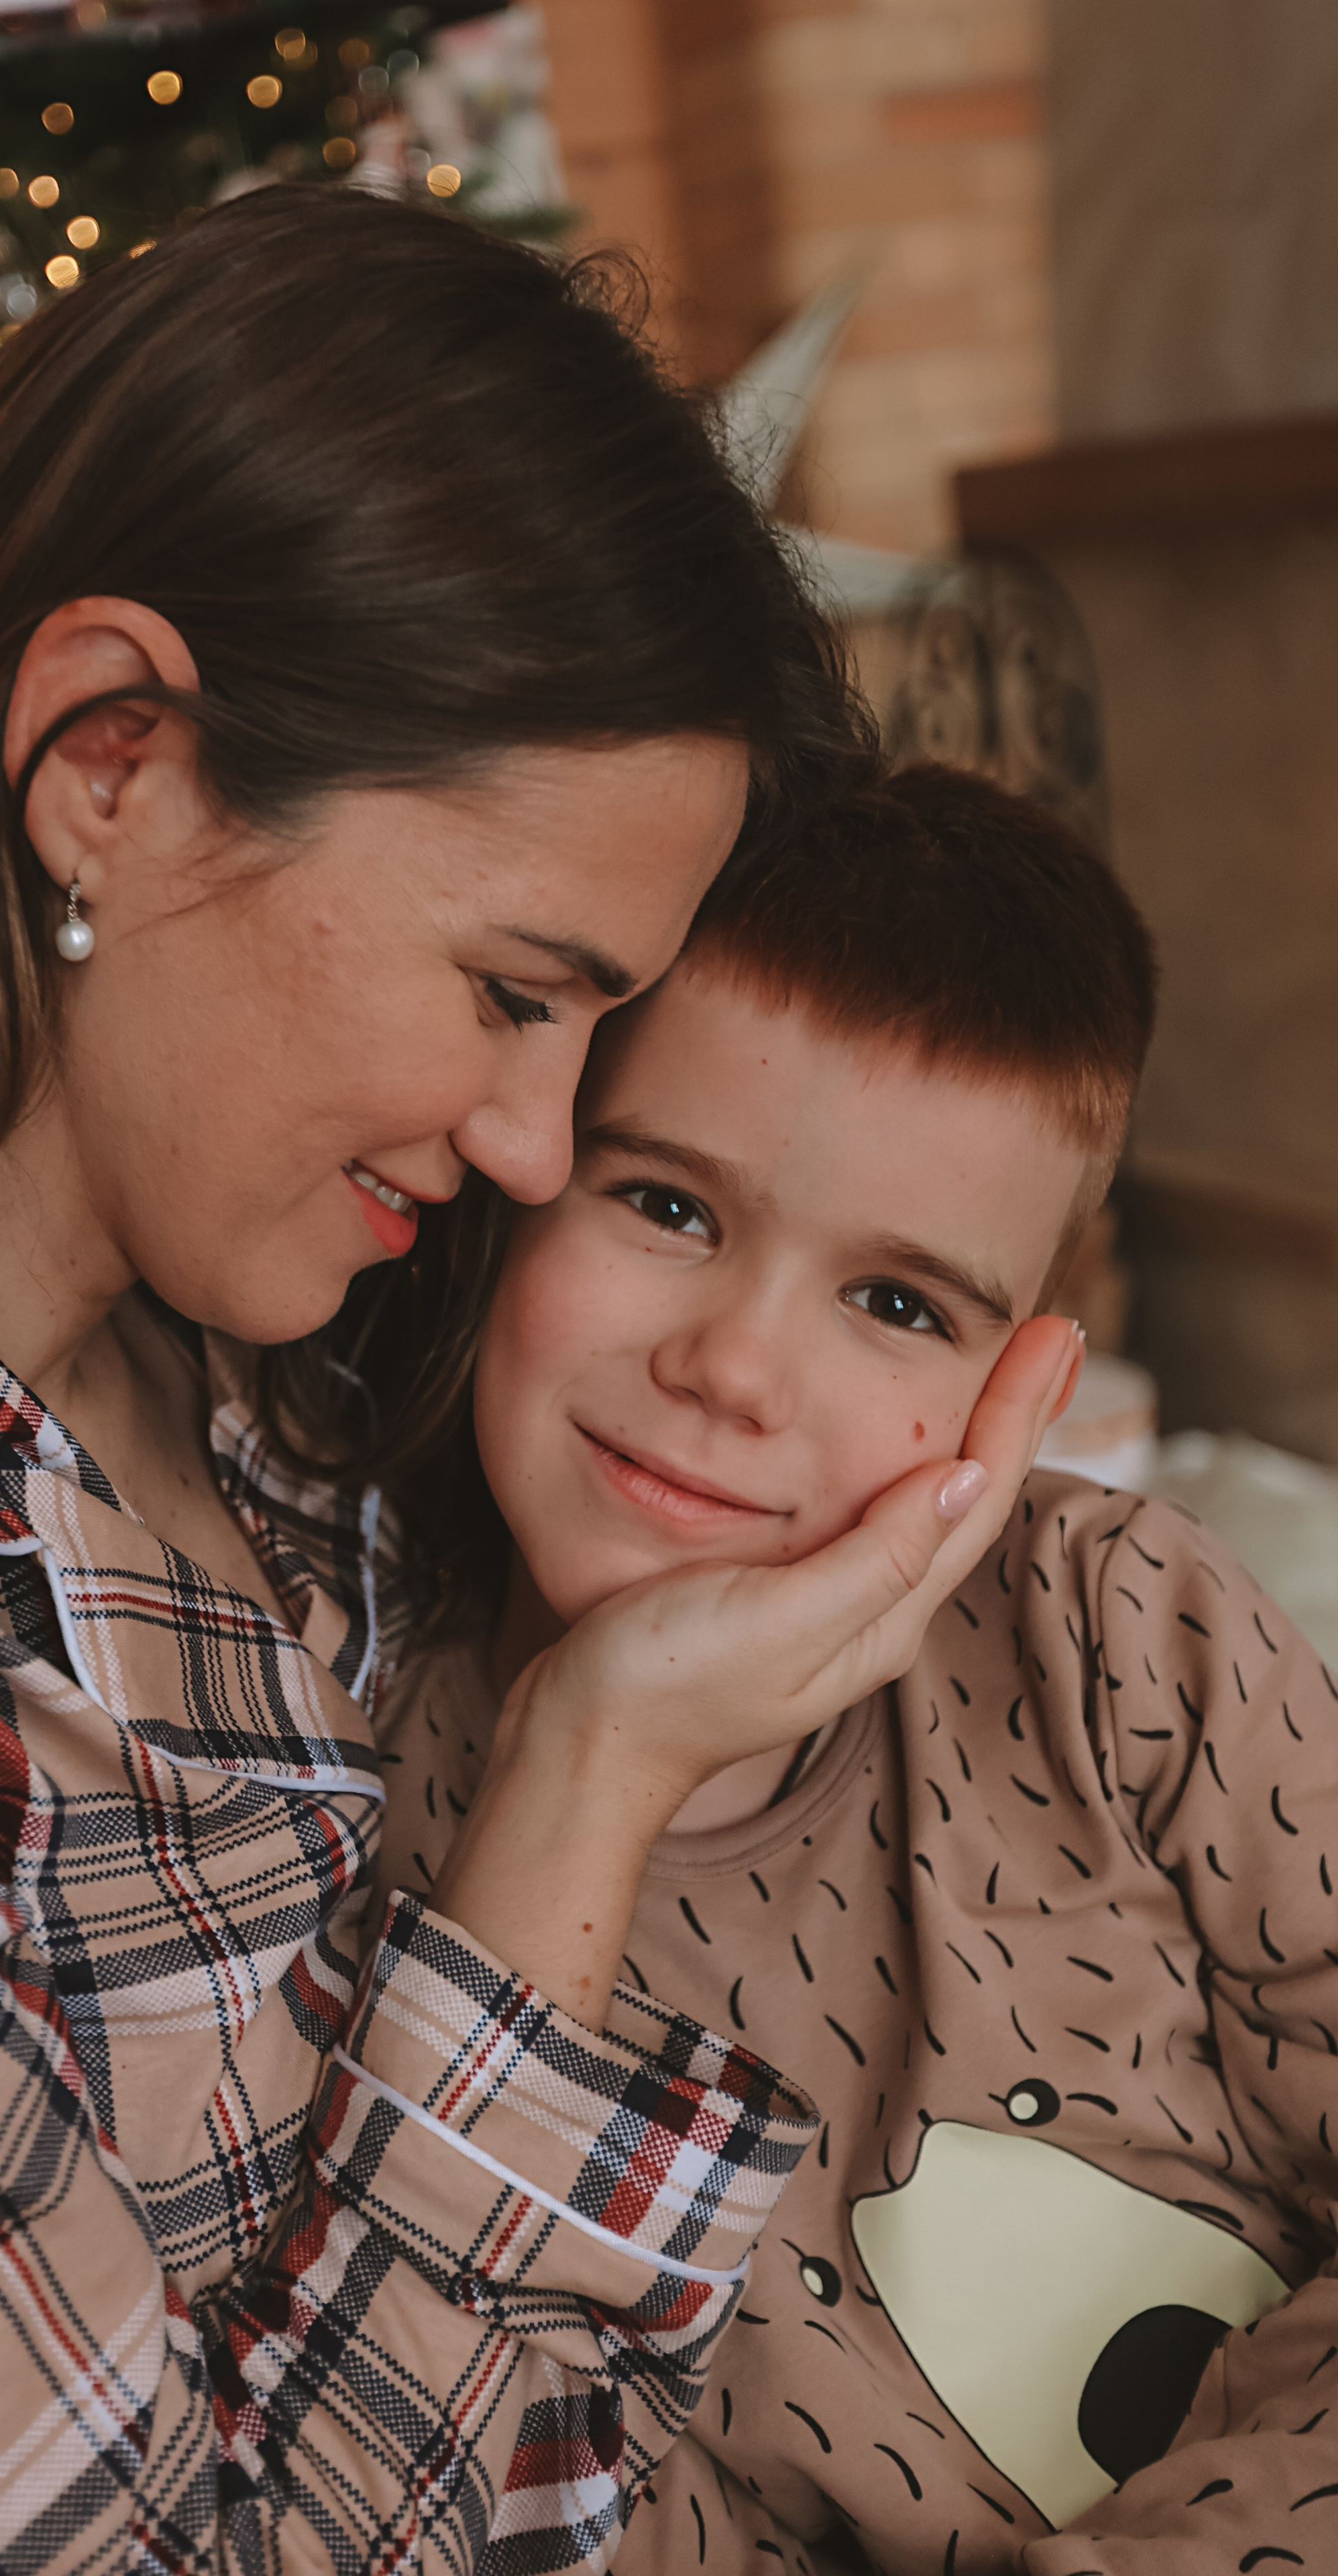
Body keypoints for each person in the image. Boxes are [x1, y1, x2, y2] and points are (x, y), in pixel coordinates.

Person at [0, 195, 1070, 2573]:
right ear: (118, 765)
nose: (538, 1138)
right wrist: (585, 1785)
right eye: (516, 991)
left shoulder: (299, 1386)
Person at [373, 763, 1338, 2575]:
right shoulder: (390, 1853)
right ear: (518, 1175)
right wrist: (610, 1744)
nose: (735, 1369)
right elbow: (509, 2487)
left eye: (897, 1303)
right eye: (664, 1205)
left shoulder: (1115, 1625)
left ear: (1025, 1376)